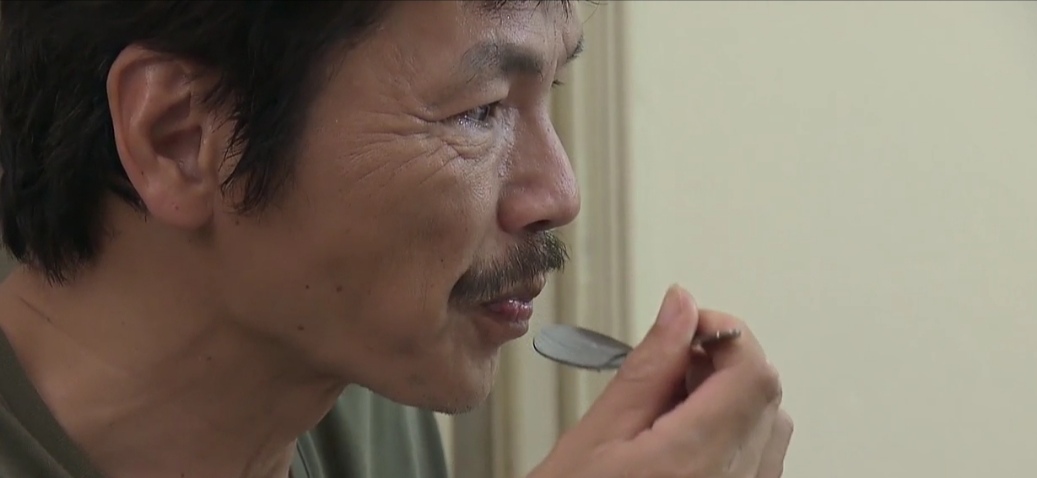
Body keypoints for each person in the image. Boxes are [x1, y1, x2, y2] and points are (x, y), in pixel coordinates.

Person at [0, 1, 793, 477]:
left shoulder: (355, 382)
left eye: (547, 91)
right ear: (179, 137)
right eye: (481, 110)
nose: (560, 195)